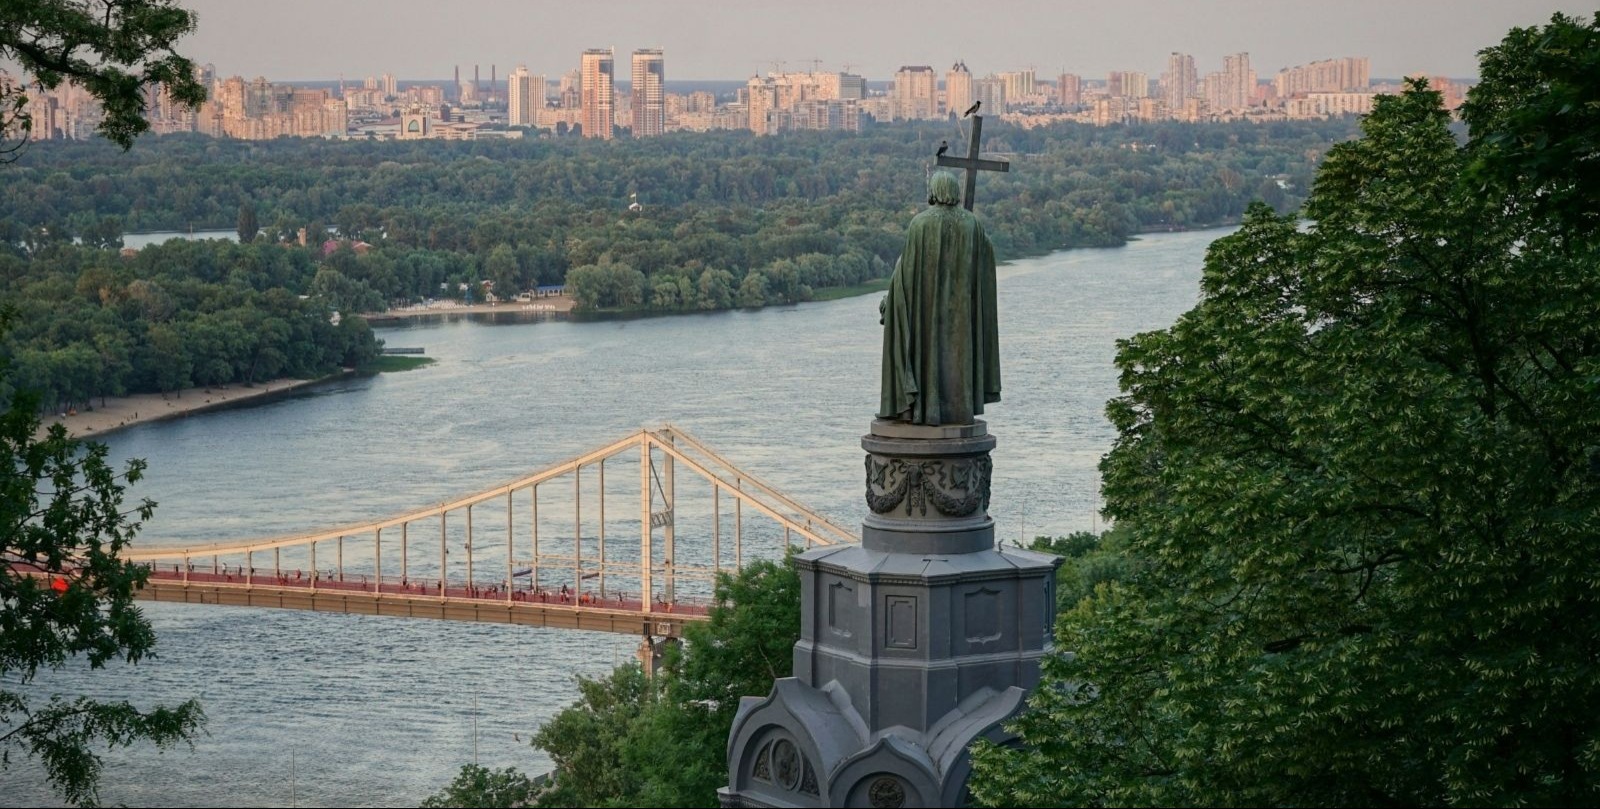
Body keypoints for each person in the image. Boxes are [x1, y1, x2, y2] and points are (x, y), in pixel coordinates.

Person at [877, 170, 1001, 426]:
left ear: (934, 192)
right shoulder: (973, 224)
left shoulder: (920, 224)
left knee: (926, 354)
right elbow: (985, 261)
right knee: (956, 359)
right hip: (962, 315)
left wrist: (892, 300)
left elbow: (907, 273)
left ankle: (924, 407)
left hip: (926, 313)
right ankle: (958, 409)